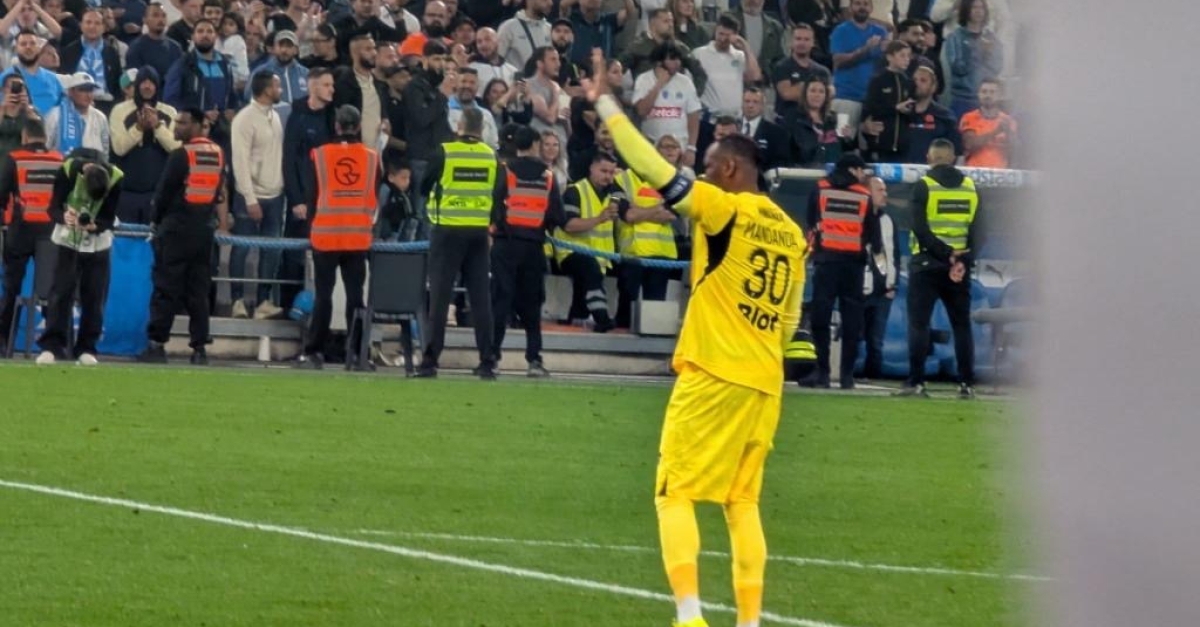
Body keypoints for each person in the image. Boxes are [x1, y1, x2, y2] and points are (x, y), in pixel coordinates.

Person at [583, 48, 805, 627]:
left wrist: (604, 102)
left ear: (730, 169)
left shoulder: (722, 207)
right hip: (764, 385)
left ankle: (689, 617)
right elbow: (786, 323)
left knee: (672, 492)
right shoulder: (789, 233)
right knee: (742, 501)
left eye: (708, 164)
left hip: (713, 373)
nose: (701, 172)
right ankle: (749, 622)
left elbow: (649, 167)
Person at [415, 107, 498, 379]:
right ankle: (487, 361)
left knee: (439, 298)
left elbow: (424, 186)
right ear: (482, 129)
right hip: (477, 232)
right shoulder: (491, 156)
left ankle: (430, 361)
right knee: (480, 299)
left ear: (459, 125)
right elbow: (500, 195)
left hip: (447, 231)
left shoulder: (445, 152)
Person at [896, 138, 982, 399]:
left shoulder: (924, 186)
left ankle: (917, 383)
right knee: (961, 326)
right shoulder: (970, 187)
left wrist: (944, 253)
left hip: (926, 265)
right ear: (954, 157)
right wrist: (963, 259)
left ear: (930, 158)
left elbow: (919, 228)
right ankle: (966, 384)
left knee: (919, 324)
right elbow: (980, 231)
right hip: (958, 270)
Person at [297, 105, 381, 370]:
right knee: (356, 297)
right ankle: (356, 354)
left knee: (323, 296)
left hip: (325, 237)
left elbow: (312, 196)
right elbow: (375, 196)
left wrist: (311, 229)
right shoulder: (371, 157)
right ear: (357, 127)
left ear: (336, 126)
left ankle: (314, 353)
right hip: (358, 238)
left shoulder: (320, 155)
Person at [140, 108, 226, 365]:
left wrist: (155, 221)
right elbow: (218, 191)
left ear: (200, 125)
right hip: (203, 231)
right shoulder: (218, 154)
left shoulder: (181, 155)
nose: (177, 127)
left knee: (166, 288)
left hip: (176, 229)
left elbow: (164, 192)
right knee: (198, 292)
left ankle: (157, 344)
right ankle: (199, 348)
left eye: (184, 123)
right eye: (177, 121)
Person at [489, 125, 567, 377]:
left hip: (505, 244)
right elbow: (558, 215)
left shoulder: (504, 170)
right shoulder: (548, 176)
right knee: (532, 305)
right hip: (534, 246)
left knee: (501, 301)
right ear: (535, 145)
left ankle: (491, 357)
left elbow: (493, 204)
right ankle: (534, 360)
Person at [36, 150, 123, 366]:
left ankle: (87, 347)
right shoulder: (67, 171)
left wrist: (96, 226)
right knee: (60, 292)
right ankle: (52, 346)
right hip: (67, 239)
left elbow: (109, 217)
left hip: (98, 244)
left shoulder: (117, 177)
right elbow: (52, 208)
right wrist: (64, 216)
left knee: (94, 295)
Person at [805, 154, 881, 389]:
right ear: (853, 170)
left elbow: (810, 222)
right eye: (862, 171)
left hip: (826, 263)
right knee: (852, 321)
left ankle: (823, 372)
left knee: (820, 319)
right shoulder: (863, 195)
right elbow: (873, 236)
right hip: (853, 266)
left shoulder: (819, 189)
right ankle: (847, 376)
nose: (863, 175)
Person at [0, 118, 61, 355]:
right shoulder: (60, 159)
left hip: (20, 232)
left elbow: (2, 194)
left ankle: (4, 343)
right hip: (51, 234)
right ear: (44, 137)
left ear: (24, 136)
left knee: (11, 288)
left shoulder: (15, 159)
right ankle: (53, 346)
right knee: (51, 290)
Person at [229, 71, 285, 319]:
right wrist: (250, 198)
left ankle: (263, 301)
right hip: (249, 195)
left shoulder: (275, 117)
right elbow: (239, 162)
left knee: (271, 250)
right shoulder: (244, 119)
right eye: (277, 85)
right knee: (241, 248)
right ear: (265, 89)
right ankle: (237, 300)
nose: (280, 89)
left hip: (275, 194)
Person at [281, 67, 336, 312]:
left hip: (324, 200)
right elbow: (289, 160)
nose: (331, 89)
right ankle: (287, 303)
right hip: (303, 198)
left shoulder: (331, 117)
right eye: (326, 85)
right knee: (294, 255)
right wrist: (296, 199)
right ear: (313, 87)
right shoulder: (298, 116)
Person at [553, 150, 623, 332]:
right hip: (571, 252)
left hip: (599, 257)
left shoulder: (613, 194)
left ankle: (575, 317)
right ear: (592, 168)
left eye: (611, 172)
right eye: (603, 171)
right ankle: (602, 318)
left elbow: (627, 207)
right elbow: (568, 225)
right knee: (589, 270)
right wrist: (599, 219)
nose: (608, 177)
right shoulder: (574, 191)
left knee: (584, 290)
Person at [110, 66, 180, 225]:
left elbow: (176, 148)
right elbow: (119, 148)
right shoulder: (119, 110)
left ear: (157, 86)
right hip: (127, 192)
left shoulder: (169, 112)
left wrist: (157, 126)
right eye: (143, 82)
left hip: (158, 193)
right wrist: (139, 128)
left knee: (155, 243)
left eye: (151, 83)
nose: (147, 86)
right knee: (125, 241)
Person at [613, 164, 677, 330]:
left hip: (661, 253)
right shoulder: (622, 179)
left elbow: (670, 215)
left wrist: (639, 211)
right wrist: (657, 208)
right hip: (632, 251)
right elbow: (627, 215)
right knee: (625, 309)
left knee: (654, 314)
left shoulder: (668, 180)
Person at [829, 0, 888, 140]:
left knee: (868, 148)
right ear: (850, 7)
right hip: (846, 100)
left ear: (871, 8)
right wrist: (865, 50)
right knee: (842, 142)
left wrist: (887, 53)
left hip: (872, 102)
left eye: (866, 4)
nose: (862, 7)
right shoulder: (840, 31)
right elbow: (838, 62)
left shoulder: (880, 32)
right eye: (858, 3)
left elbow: (886, 65)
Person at [861, 175, 898, 380]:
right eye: (880, 190)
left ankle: (872, 379)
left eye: (885, 190)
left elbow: (895, 254)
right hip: (859, 287)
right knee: (854, 335)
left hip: (883, 290)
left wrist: (893, 285)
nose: (885, 194)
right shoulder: (858, 216)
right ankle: (846, 376)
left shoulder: (888, 221)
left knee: (876, 340)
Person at [59, 8, 124, 115]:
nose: (92, 27)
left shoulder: (112, 52)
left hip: (106, 105)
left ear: (104, 28)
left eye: (97, 23)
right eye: (88, 22)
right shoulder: (68, 52)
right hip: (75, 105)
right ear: (81, 25)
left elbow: (117, 85)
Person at [862, 40, 915, 163]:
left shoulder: (908, 82)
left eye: (908, 56)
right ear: (889, 57)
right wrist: (895, 108)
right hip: (881, 142)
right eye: (902, 55)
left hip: (903, 144)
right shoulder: (878, 80)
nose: (906, 59)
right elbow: (872, 107)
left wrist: (909, 111)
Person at [771, 23, 832, 121]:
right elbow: (787, 94)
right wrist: (815, 91)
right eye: (798, 39)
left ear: (813, 43)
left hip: (814, 124)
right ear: (791, 42)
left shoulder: (822, 71)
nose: (802, 43)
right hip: (787, 122)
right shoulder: (782, 67)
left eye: (806, 39)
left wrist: (800, 87)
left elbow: (830, 94)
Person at [0, 30, 65, 117]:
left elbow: (64, 108)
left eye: (32, 43)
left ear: (38, 48)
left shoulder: (53, 78)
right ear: (16, 49)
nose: (28, 47)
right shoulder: (5, 78)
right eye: (23, 44)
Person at [46, 72, 111, 157]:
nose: (88, 95)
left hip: (93, 166)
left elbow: (105, 150)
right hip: (62, 167)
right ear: (71, 91)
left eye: (90, 90)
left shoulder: (100, 117)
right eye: (83, 89)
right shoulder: (55, 114)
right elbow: (46, 146)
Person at [959, 78, 1016, 168]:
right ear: (978, 94)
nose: (988, 95)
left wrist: (1008, 133)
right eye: (984, 91)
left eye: (992, 92)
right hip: (974, 172)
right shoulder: (969, 118)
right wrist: (996, 131)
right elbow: (969, 144)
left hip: (1001, 174)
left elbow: (1015, 151)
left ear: (1000, 96)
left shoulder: (1008, 120)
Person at [125, 2, 184, 80]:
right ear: (145, 20)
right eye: (155, 15)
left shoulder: (175, 48)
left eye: (163, 16)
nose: (160, 19)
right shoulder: (136, 48)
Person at [496, 0, 553, 71]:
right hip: (516, 80)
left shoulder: (551, 29)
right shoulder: (508, 27)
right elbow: (496, 62)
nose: (550, 3)